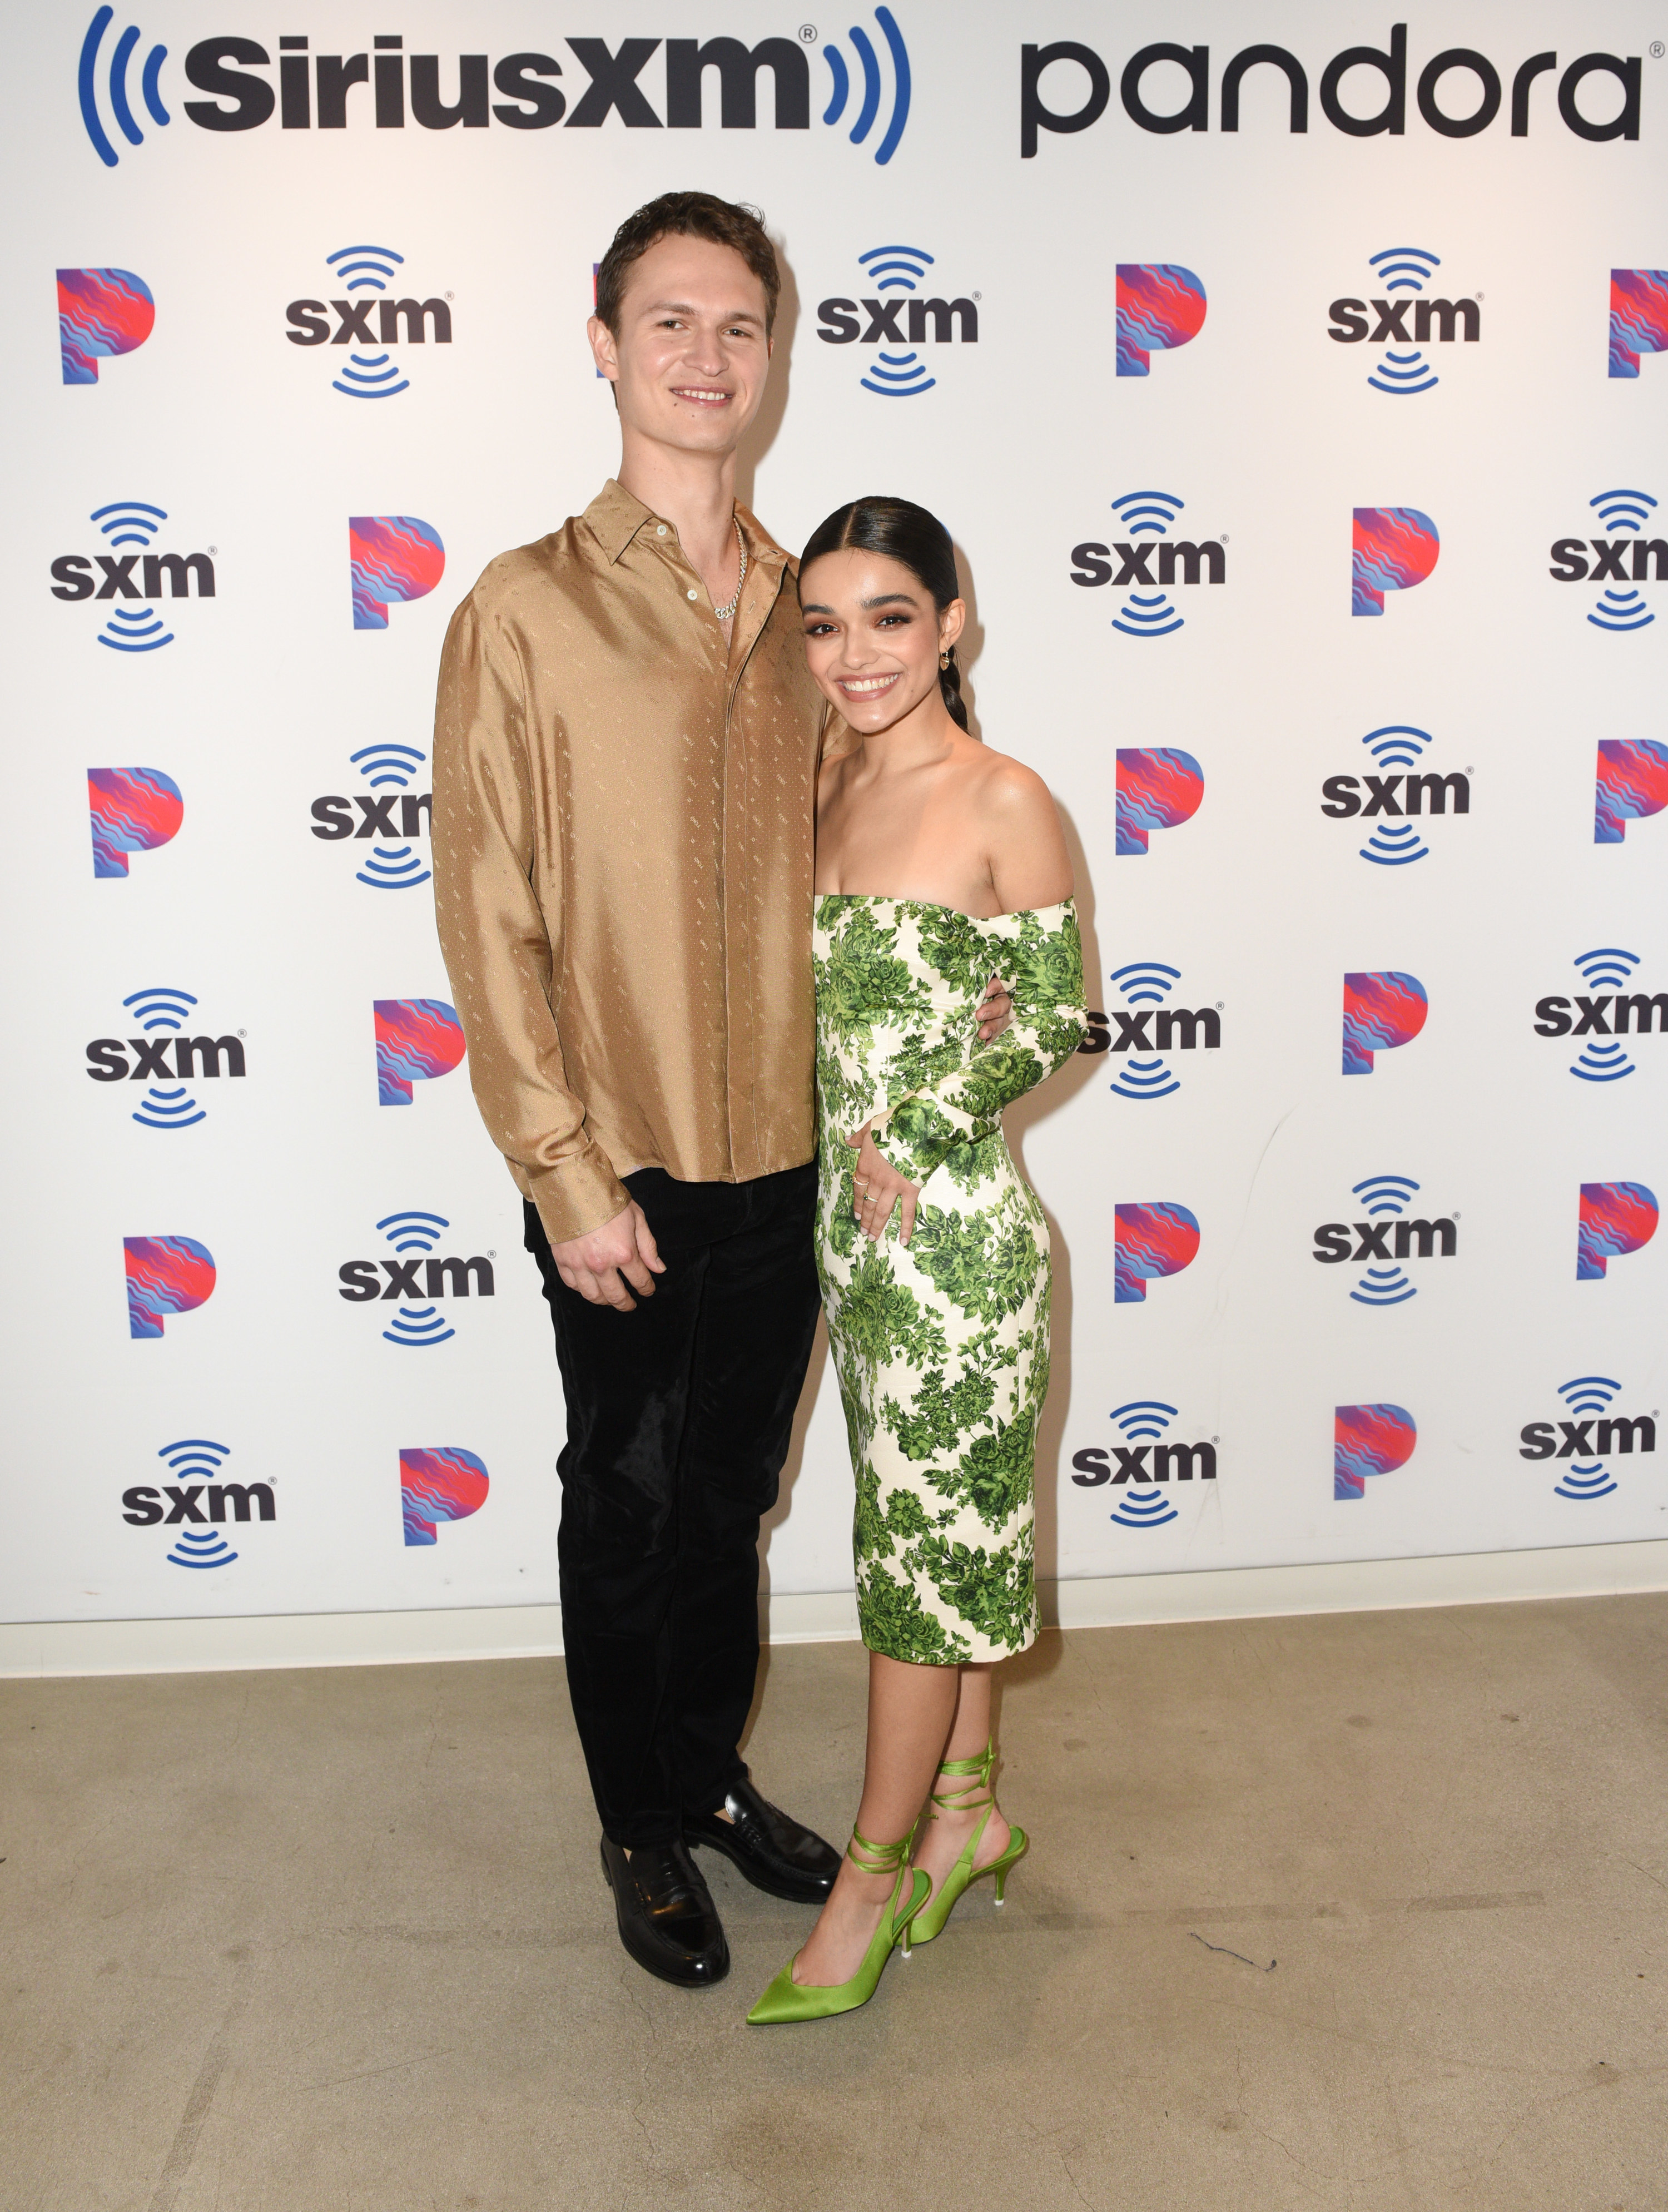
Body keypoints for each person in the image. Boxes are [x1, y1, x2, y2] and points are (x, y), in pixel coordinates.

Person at [430, 197, 1010, 1991]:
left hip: (797, 1154)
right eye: (668, 322)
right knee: (628, 1487)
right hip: (619, 1164)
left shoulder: (809, 614)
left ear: (775, 356)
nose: (705, 356)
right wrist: (561, 1168)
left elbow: (912, 834)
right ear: (604, 345)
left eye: (739, 326)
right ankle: (637, 1820)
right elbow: (488, 895)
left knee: (736, 1495)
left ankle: (704, 1773)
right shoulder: (523, 609)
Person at [748, 498, 1086, 2025]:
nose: (853, 653)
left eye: (889, 615)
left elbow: (1064, 1013)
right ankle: (970, 1808)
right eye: (821, 623)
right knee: (925, 1542)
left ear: (954, 620)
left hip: (951, 1252)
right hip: (846, 1246)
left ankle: (872, 1878)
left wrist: (919, 1123)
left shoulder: (1003, 795)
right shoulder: (816, 782)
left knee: (910, 1580)